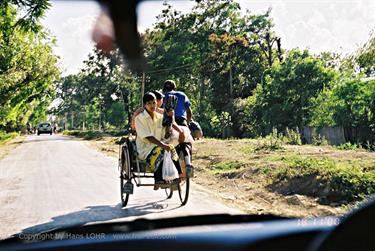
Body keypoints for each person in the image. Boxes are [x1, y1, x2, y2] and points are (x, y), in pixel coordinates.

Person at [135, 92, 184, 189]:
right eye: (149, 103)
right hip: (145, 149)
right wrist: (162, 145)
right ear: (144, 105)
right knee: (162, 149)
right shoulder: (140, 118)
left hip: (158, 146)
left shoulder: (160, 117)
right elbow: (148, 137)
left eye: (154, 102)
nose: (152, 105)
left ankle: (178, 175)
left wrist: (169, 119)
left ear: (157, 103)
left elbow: (165, 135)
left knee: (171, 148)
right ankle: (158, 179)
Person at [162, 80, 194, 178]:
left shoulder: (163, 97)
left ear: (164, 89)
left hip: (169, 122)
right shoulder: (182, 95)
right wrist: (188, 124)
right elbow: (189, 112)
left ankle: (176, 170)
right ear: (174, 87)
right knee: (186, 142)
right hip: (182, 121)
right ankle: (188, 162)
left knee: (170, 145)